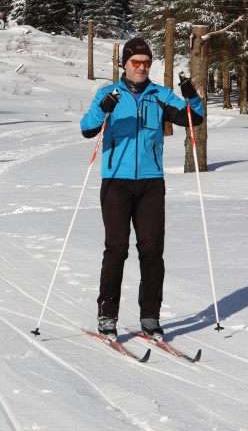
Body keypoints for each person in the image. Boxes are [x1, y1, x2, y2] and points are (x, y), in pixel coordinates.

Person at [79, 37, 204, 341]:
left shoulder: (160, 95)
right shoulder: (108, 93)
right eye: (136, 62)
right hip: (116, 182)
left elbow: (193, 117)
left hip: (151, 182)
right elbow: (87, 128)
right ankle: (107, 315)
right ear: (124, 63)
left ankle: (150, 316)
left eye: (147, 63)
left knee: (151, 250)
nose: (142, 67)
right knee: (117, 249)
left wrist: (192, 95)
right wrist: (103, 110)